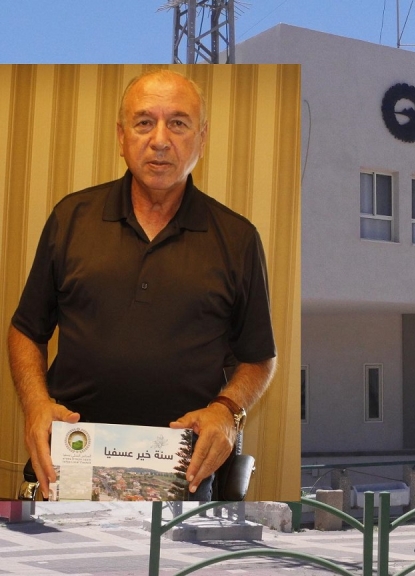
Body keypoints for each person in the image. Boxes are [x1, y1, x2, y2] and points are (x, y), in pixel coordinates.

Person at [7, 69, 277, 501]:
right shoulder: (70, 218)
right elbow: (26, 330)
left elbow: (259, 357)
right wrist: (36, 404)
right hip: (71, 462)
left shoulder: (238, 239)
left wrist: (228, 411)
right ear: (121, 136)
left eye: (178, 123)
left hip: (182, 475)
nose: (160, 140)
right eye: (144, 122)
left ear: (202, 138)